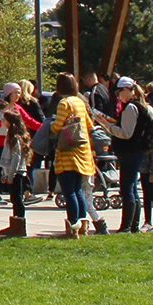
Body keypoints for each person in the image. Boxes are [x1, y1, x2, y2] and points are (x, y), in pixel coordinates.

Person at [95, 76, 153, 233]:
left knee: (127, 188)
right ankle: (133, 225)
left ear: (126, 90)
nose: (118, 96)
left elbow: (126, 133)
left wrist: (107, 126)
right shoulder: (138, 106)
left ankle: (127, 226)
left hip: (131, 151)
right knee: (131, 188)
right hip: (134, 152)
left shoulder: (131, 108)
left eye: (119, 92)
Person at [45, 73, 96, 238]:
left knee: (69, 192)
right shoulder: (80, 102)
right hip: (82, 151)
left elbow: (57, 126)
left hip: (68, 152)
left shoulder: (64, 103)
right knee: (78, 189)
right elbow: (89, 124)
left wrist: (51, 125)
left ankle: (73, 226)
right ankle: (83, 225)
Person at [0, 91, 34, 237]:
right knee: (13, 198)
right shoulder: (8, 137)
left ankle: (20, 223)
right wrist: (4, 173)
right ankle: (15, 223)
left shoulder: (15, 139)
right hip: (10, 172)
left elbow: (16, 158)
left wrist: (11, 175)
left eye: (4, 120)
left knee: (17, 198)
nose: (1, 122)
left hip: (16, 173)